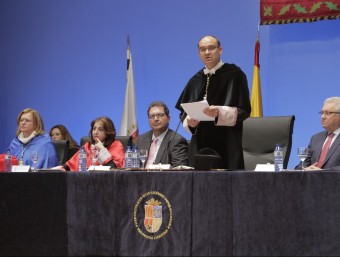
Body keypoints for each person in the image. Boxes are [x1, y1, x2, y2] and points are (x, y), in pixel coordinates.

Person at [175, 35, 251, 169]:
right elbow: (183, 113)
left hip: (227, 142)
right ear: (198, 53)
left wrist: (219, 112)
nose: (207, 52)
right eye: (203, 49)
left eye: (211, 48)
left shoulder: (235, 75)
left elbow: (244, 110)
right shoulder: (195, 80)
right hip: (199, 144)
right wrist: (189, 122)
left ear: (220, 50)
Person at [54, 116, 124, 171]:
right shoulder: (88, 145)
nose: (95, 132)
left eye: (100, 129)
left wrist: (102, 149)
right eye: (94, 128)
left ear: (108, 132)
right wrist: (59, 168)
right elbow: (70, 166)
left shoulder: (116, 145)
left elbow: (114, 168)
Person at [137, 101, 189, 168]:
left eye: (160, 115)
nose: (156, 119)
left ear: (168, 118)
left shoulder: (177, 141)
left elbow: (180, 170)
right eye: (152, 116)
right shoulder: (141, 139)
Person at [295, 97, 340, 171]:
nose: (322, 117)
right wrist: (305, 169)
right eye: (322, 113)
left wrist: (322, 172)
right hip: (311, 181)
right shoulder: (316, 138)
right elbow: (302, 165)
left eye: (328, 113)